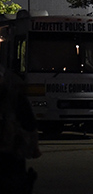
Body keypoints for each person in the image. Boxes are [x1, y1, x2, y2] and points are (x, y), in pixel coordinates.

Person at [0, 64, 41, 194]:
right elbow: (30, 125)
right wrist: (34, 147)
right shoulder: (16, 98)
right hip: (12, 152)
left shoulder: (15, 99)